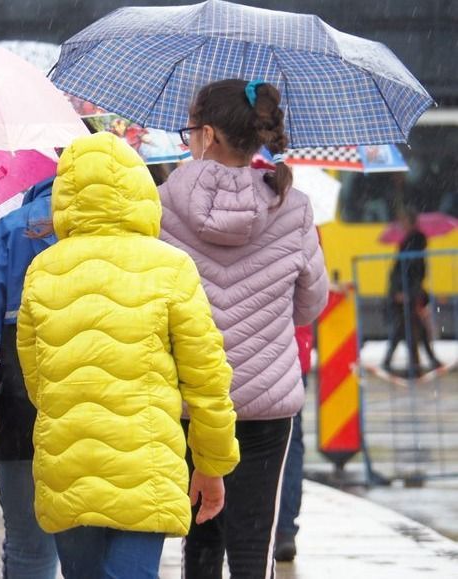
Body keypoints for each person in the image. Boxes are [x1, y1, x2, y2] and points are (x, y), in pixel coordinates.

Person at [17, 132, 241, 579]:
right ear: (137, 188)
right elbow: (208, 379)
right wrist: (211, 463)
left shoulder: (42, 271)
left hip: (69, 466)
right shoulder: (170, 267)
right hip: (146, 466)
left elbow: (37, 379)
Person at [160, 79, 329, 578]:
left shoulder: (162, 206)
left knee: (201, 542)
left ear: (207, 134)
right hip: (267, 405)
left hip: (193, 400)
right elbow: (310, 304)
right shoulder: (292, 206)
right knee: (255, 547)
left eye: (190, 129)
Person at [0, 175, 61, 579]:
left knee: (28, 548)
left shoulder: (10, 231)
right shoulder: (134, 237)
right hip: (111, 417)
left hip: (23, 408)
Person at [381, 209, 442, 377]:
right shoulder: (413, 243)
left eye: (403, 222)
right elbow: (411, 271)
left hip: (407, 293)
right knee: (409, 326)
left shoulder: (411, 243)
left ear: (410, 223)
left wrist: (402, 292)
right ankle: (419, 362)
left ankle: (413, 365)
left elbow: (407, 272)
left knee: (408, 326)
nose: (401, 225)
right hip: (408, 292)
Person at [275, 325, 313, 563]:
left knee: (240, 436)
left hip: (240, 351)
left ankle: (245, 525)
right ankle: (284, 529)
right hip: (292, 350)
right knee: (290, 438)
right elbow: (312, 298)